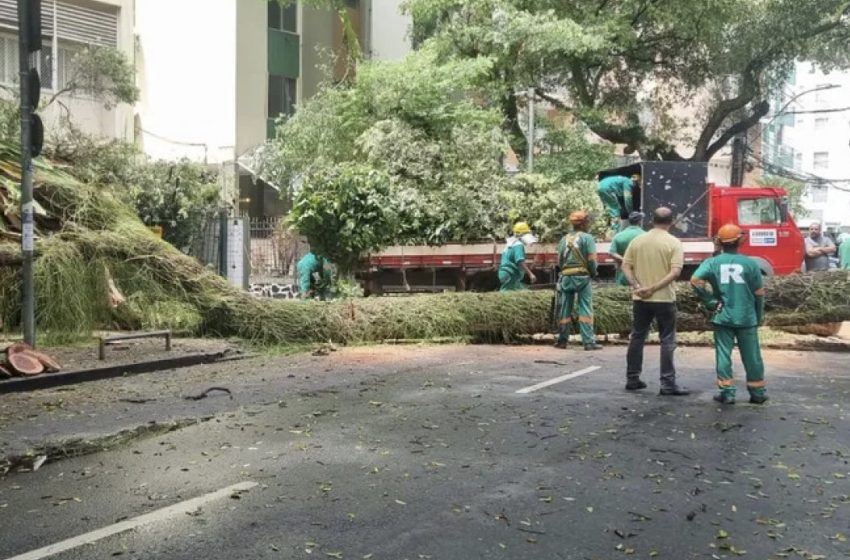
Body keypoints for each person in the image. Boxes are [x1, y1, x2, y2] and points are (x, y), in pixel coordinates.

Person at [690, 224, 768, 405]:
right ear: (740, 241)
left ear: (720, 242)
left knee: (723, 355)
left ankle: (727, 393)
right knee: (752, 356)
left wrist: (709, 301)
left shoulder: (712, 263)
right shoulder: (750, 264)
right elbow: (759, 294)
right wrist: (759, 315)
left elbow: (695, 280)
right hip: (747, 317)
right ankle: (757, 393)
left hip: (723, 316)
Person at [621, 207, 689, 395]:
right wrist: (653, 288)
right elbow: (675, 272)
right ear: (672, 221)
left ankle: (632, 378)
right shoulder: (673, 243)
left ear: (652, 220)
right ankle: (667, 384)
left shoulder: (638, 240)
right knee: (667, 340)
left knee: (637, 336)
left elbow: (625, 265)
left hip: (640, 299)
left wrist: (637, 286)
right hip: (664, 299)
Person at [554, 211, 602, 351]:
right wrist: (593, 273)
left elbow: (560, 261)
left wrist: (564, 273)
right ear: (584, 223)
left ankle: (562, 341)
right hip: (582, 277)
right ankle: (588, 342)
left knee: (564, 309)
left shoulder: (564, 239)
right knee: (585, 308)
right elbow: (592, 260)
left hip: (566, 277)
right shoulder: (587, 238)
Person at [609, 212, 646, 286]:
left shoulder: (618, 236)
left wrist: (624, 260)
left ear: (629, 221)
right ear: (640, 221)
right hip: (641, 275)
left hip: (623, 275)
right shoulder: (646, 236)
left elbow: (611, 253)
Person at [498, 222, 538, 291]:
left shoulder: (509, 244)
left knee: (521, 289)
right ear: (522, 235)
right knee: (508, 293)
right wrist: (530, 274)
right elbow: (520, 261)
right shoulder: (518, 245)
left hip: (505, 273)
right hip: (511, 274)